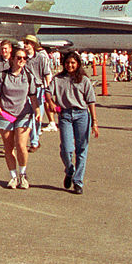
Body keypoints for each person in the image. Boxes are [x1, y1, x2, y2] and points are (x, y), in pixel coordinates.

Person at [46, 51, 98, 194]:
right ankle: (70, 170)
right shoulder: (58, 79)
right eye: (68, 63)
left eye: (73, 63)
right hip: (65, 115)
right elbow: (48, 91)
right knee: (66, 149)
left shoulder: (84, 80)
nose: (70, 65)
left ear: (78, 64)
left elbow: (91, 101)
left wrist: (94, 121)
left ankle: (78, 181)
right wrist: (50, 102)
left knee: (82, 148)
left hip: (82, 115)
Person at [0, 47, 40, 189]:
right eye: (19, 58)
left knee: (21, 145)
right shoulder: (2, 75)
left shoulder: (28, 75)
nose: (22, 61)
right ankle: (13, 176)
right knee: (8, 147)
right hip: (5, 113)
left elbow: (32, 96)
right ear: (12, 59)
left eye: (24, 58)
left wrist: (37, 110)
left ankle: (23, 175)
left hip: (23, 114)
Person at [23, 35, 54, 151]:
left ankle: (35, 138)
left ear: (32, 45)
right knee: (28, 116)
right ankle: (34, 142)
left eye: (27, 43)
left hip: (38, 88)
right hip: (26, 90)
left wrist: (48, 91)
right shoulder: (23, 58)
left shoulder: (41, 58)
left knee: (37, 116)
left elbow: (46, 74)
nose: (25, 45)